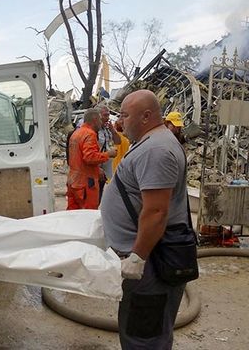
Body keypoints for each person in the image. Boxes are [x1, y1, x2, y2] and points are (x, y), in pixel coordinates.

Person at [100, 90, 189, 349]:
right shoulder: (151, 142)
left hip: (149, 262)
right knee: (140, 329)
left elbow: (156, 211)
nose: (121, 121)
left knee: (144, 335)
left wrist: (137, 257)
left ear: (146, 116)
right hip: (147, 257)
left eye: (125, 115)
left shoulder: (156, 150)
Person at [67, 108, 116, 210]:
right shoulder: (90, 134)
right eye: (99, 120)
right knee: (88, 215)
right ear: (94, 120)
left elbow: (78, 158)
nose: (101, 123)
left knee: (72, 215)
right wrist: (108, 154)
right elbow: (89, 157)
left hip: (73, 182)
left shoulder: (77, 133)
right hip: (86, 184)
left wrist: (97, 169)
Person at [97, 105, 121, 198]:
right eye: (105, 115)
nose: (107, 118)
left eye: (108, 115)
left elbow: (118, 141)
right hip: (97, 163)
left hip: (107, 164)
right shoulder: (94, 129)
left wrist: (112, 130)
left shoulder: (107, 128)